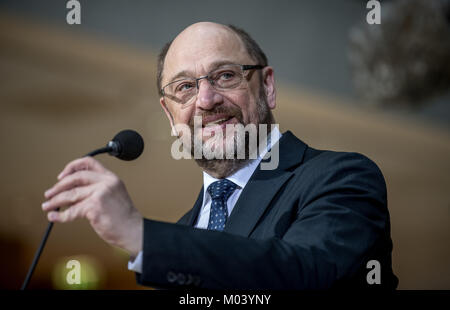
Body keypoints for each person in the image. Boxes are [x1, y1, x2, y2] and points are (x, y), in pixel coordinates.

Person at [41, 22, 398, 289]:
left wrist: (141, 234)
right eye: (185, 87)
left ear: (268, 86)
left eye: (225, 75)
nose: (206, 100)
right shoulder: (183, 232)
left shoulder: (340, 176)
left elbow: (304, 274)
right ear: (169, 115)